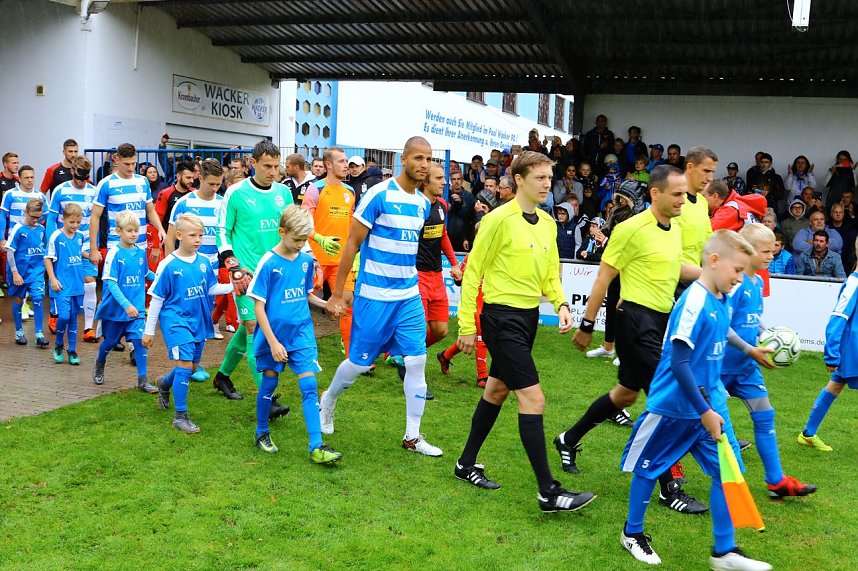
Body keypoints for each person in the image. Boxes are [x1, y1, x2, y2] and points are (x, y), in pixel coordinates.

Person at [452, 150, 597, 513]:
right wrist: (467, 325)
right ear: (519, 180)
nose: (547, 184)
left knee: (496, 390)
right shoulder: (497, 220)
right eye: (540, 178)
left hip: (528, 318)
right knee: (533, 400)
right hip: (500, 318)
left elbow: (550, 273)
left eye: (550, 178)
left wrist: (561, 303)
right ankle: (548, 491)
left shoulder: (548, 222)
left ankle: (465, 464)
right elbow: (473, 272)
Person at [620, 230, 772, 571]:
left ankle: (724, 552)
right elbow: (679, 362)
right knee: (648, 468)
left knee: (728, 471)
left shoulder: (721, 296)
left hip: (710, 404)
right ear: (714, 261)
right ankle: (632, 533)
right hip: (674, 406)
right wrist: (703, 410)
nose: (740, 278)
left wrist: (749, 349)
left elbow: (723, 329)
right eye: (737, 270)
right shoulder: (693, 302)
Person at [560, 166, 708, 513]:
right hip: (635, 324)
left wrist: (716, 274)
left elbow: (675, 267)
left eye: (684, 194)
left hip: (659, 322)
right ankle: (669, 487)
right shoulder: (630, 229)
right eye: (676, 194)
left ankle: (568, 439)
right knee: (667, 400)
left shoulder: (674, 228)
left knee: (625, 395)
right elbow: (603, 278)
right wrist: (587, 325)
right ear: (655, 194)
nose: (683, 200)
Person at [320, 136, 442, 457]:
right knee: (358, 365)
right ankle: (328, 399)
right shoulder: (378, 194)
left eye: (428, 159)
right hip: (374, 297)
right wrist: (337, 294)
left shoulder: (423, 204)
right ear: (404, 159)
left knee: (416, 361)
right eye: (418, 158)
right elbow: (351, 244)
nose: (424, 164)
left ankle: (412, 437)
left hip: (408, 296)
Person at [722, 224, 816, 498]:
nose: (772, 255)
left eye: (773, 249)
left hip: (746, 367)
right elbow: (722, 324)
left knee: (765, 416)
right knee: (714, 426)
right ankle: (724, 485)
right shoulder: (735, 283)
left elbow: (751, 318)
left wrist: (770, 334)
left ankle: (776, 481)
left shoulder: (758, 282)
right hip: (718, 366)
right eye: (765, 251)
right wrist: (749, 348)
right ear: (746, 251)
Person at [245, 205, 341, 463]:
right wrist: (273, 343)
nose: (301, 244)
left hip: (301, 332)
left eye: (304, 239)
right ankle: (261, 432)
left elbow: (305, 294)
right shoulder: (268, 263)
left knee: (309, 385)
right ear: (282, 232)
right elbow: (258, 306)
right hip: (273, 336)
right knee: (270, 381)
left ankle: (316, 446)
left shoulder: (306, 261)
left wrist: (325, 304)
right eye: (297, 239)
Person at [213, 140, 295, 410]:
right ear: (253, 163)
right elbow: (222, 230)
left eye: (276, 166)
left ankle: (222, 376)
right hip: (245, 275)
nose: (273, 172)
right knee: (253, 328)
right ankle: (266, 399)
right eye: (267, 166)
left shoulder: (284, 193)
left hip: (275, 273)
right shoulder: (236, 192)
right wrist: (232, 264)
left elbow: (292, 229)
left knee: (249, 327)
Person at [144, 213, 233, 433]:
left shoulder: (204, 262)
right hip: (175, 320)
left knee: (191, 367)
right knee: (184, 365)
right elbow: (157, 298)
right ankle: (180, 416)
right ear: (179, 235)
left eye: (201, 235)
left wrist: (234, 286)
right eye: (193, 235)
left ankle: (164, 383)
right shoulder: (168, 264)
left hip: (198, 320)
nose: (198, 239)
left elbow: (211, 288)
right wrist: (149, 331)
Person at [88, 143, 167, 343]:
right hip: (116, 246)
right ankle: (107, 333)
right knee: (112, 289)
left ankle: (133, 340)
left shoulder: (142, 181)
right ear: (117, 160)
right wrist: (93, 248)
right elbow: (95, 216)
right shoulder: (106, 184)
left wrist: (160, 229)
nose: (131, 168)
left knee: (136, 288)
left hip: (139, 245)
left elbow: (150, 210)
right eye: (127, 164)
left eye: (133, 163)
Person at [165, 159, 226, 382]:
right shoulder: (184, 203)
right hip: (186, 270)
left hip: (211, 269)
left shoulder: (223, 204)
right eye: (211, 183)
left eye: (218, 184)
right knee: (187, 314)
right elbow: (170, 239)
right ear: (200, 178)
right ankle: (186, 363)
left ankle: (195, 364)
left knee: (204, 316)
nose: (215, 188)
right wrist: (171, 268)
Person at [797, 245, 858, 451]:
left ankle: (808, 434)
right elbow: (837, 318)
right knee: (835, 385)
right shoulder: (853, 284)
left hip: (852, 349)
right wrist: (831, 354)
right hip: (852, 350)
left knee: (835, 386)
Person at [92, 211, 155, 390]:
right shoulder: (114, 253)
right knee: (109, 342)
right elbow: (111, 283)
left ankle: (143, 380)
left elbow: (146, 274)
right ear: (119, 231)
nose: (134, 234)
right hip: (116, 310)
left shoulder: (141, 252)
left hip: (137, 308)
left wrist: (162, 278)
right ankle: (100, 362)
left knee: (139, 342)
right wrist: (126, 305)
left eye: (136, 230)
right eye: (129, 230)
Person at [301, 147, 352, 351]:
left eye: (346, 161)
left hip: (342, 261)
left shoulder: (350, 192)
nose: (346, 165)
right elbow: (303, 223)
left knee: (347, 303)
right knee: (300, 301)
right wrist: (319, 240)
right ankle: (297, 346)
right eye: (341, 161)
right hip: (316, 259)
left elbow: (351, 225)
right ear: (328, 165)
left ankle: (351, 356)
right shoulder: (316, 189)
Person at [46, 156, 98, 338]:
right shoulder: (60, 190)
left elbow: (96, 220)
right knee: (60, 281)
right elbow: (51, 219)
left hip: (85, 244)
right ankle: (55, 314)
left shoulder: (94, 191)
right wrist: (52, 243)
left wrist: (95, 247)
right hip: (63, 245)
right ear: (72, 171)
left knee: (90, 283)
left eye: (85, 178)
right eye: (79, 177)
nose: (82, 182)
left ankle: (88, 328)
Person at [416, 162, 461, 363]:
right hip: (417, 275)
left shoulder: (442, 204)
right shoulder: (415, 206)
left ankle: (399, 351)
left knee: (440, 330)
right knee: (418, 327)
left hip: (436, 276)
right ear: (425, 181)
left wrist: (454, 264)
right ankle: (410, 360)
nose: (445, 182)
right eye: (439, 178)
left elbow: (442, 235)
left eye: (444, 178)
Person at [437, 224, 488, 388]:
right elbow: (459, 279)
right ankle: (482, 377)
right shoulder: (472, 257)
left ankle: (445, 356)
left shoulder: (497, 256)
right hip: (473, 305)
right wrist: (458, 277)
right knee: (481, 336)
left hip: (489, 304)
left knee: (477, 338)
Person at [44, 203, 89, 365]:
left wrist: (89, 256)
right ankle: (58, 344)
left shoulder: (80, 236)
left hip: (77, 285)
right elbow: (47, 258)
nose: (75, 225)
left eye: (78, 222)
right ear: (63, 219)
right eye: (72, 222)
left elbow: (77, 251)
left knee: (73, 318)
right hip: (61, 286)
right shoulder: (56, 236)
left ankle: (72, 350)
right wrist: (53, 279)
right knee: (63, 316)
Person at [1, 165, 45, 321]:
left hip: (32, 242)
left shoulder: (40, 195)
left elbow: (46, 217)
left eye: (32, 177)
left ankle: (25, 305)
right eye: (26, 177)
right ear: (19, 178)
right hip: (16, 240)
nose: (30, 180)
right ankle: (22, 305)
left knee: (31, 273)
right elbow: (2, 216)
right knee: (18, 273)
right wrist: (1, 238)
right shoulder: (10, 194)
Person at [5, 198, 47, 346]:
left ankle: (39, 333)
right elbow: (10, 252)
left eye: (39, 217)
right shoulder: (18, 229)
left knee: (38, 298)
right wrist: (15, 273)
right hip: (20, 272)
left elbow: (44, 249)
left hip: (36, 271)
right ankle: (19, 332)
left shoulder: (41, 230)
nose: (36, 220)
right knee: (18, 300)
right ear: (26, 212)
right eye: (33, 217)